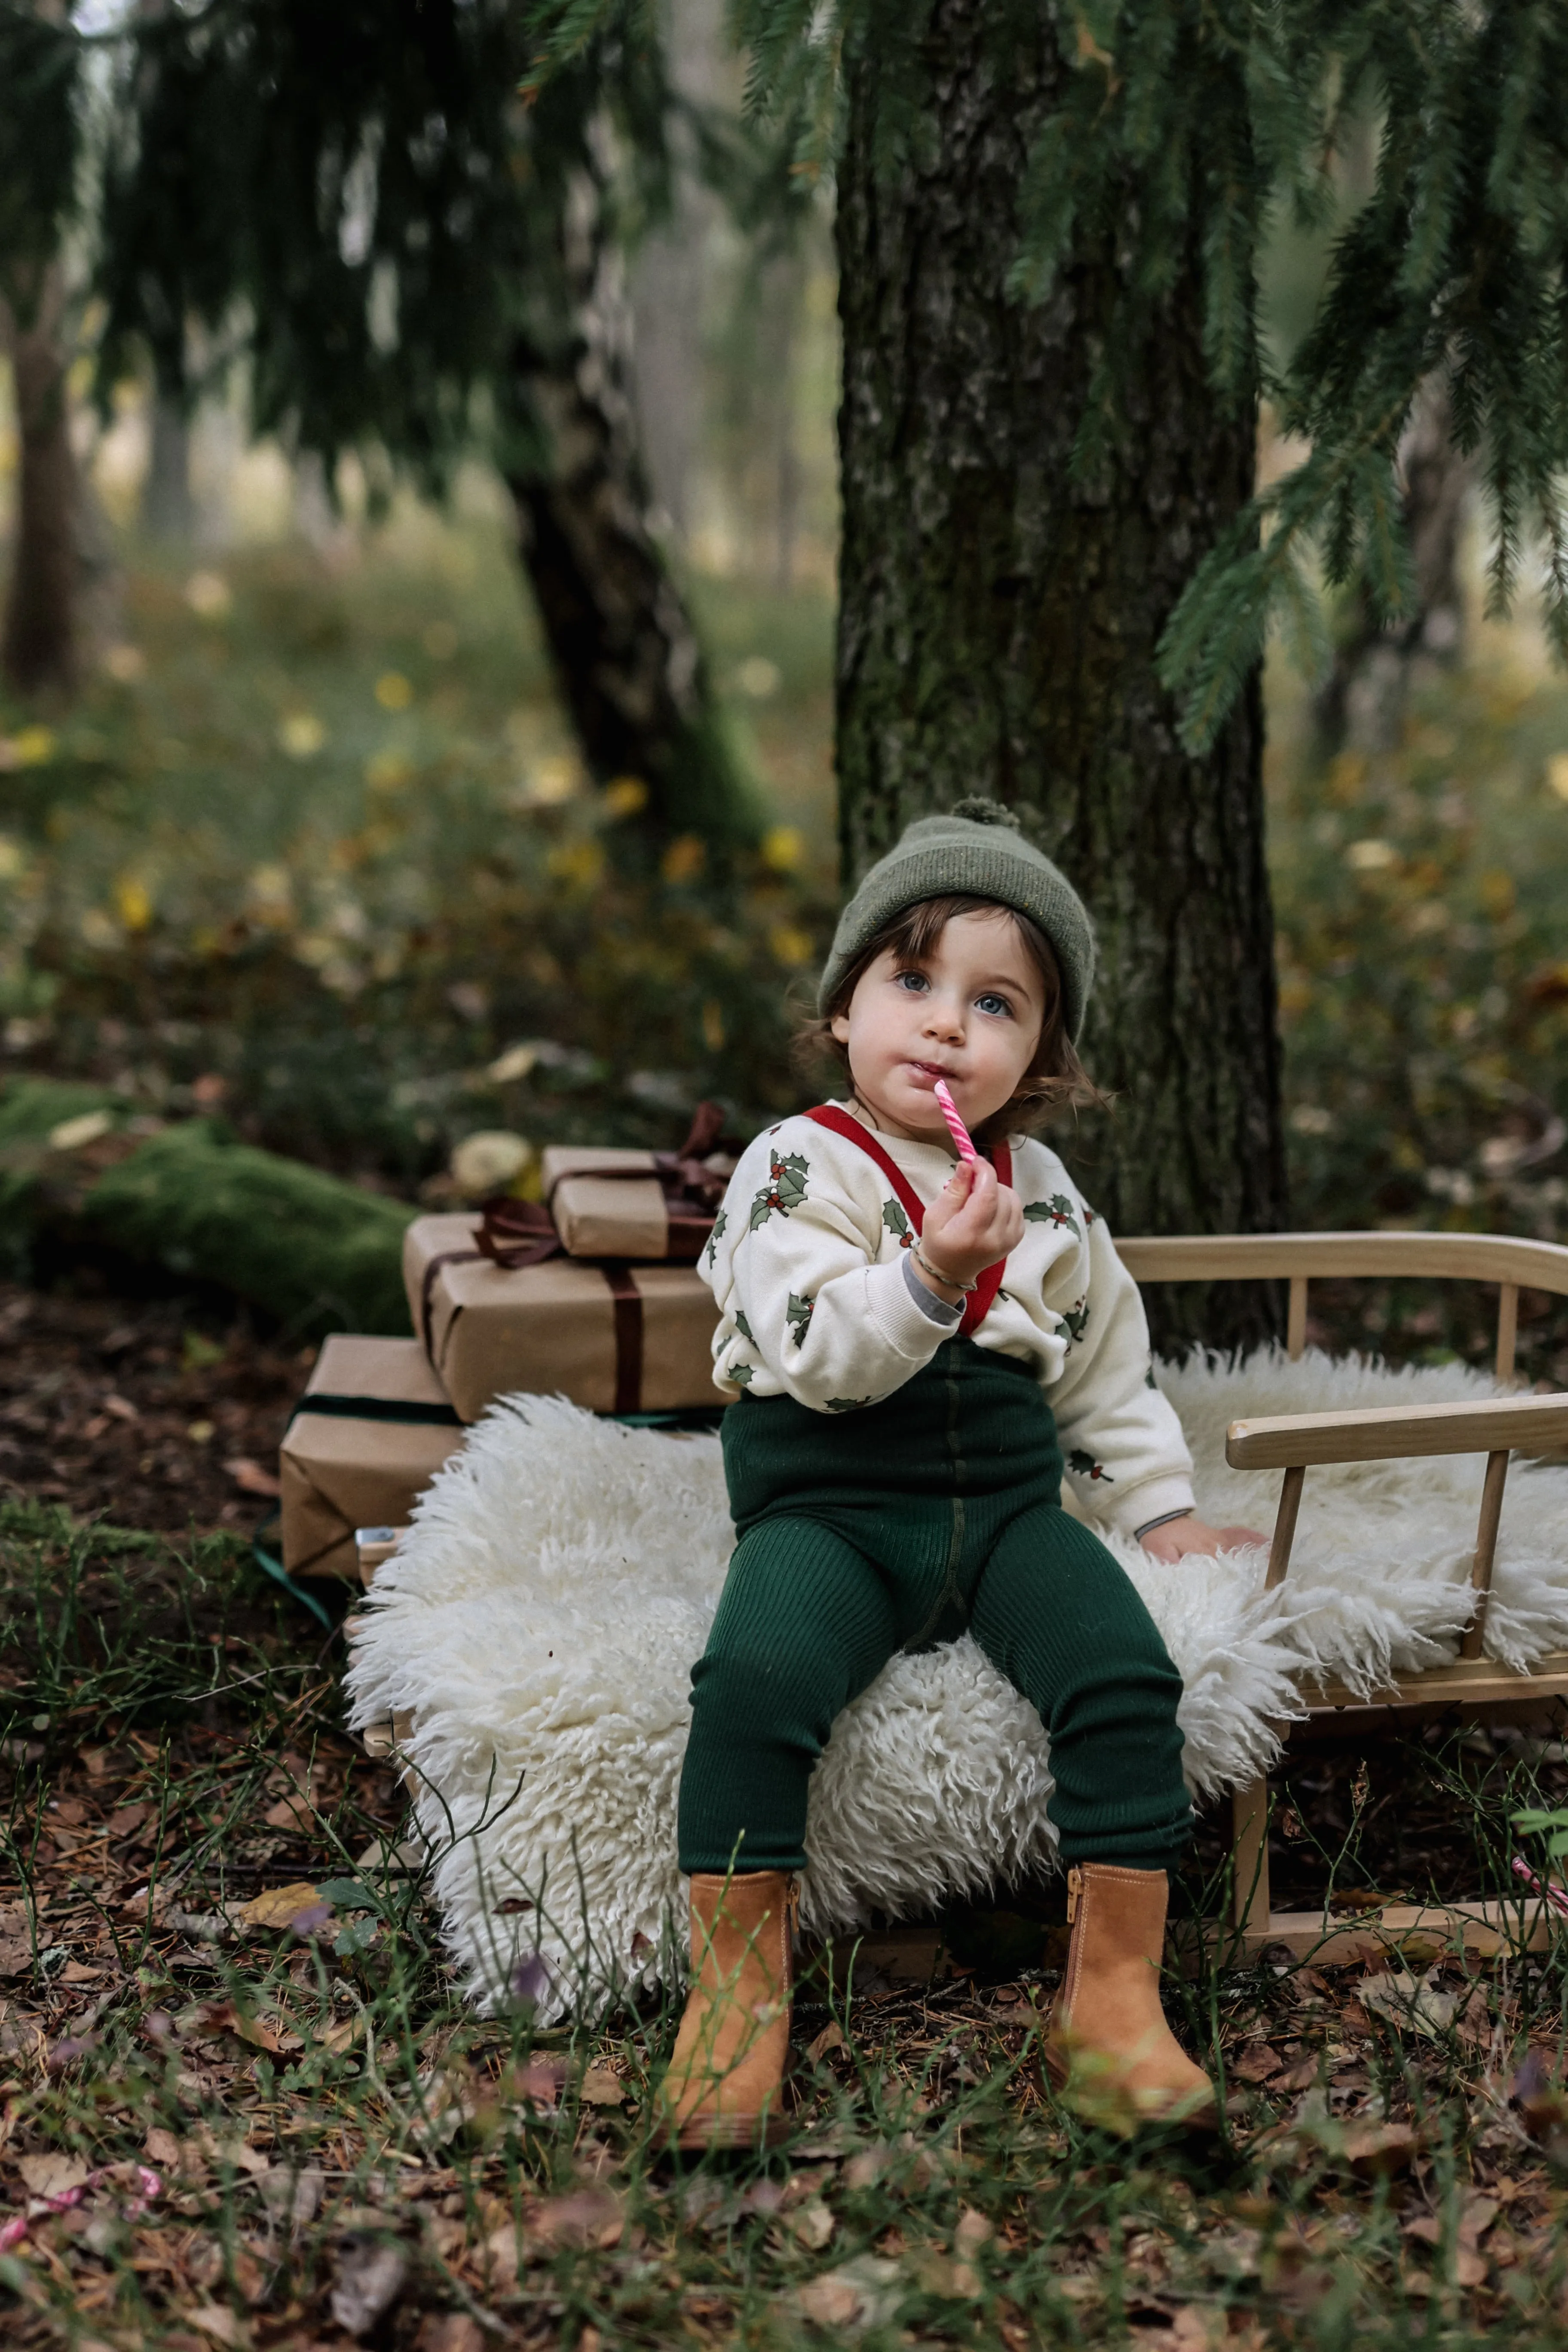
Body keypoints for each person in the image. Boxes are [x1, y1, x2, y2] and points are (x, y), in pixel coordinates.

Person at [659, 799, 1263, 2149]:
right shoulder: (792, 1167)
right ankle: (735, 2001)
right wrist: (930, 1270)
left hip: (1000, 1513)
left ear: (1040, 1052)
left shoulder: (1040, 1190)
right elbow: (815, 1352)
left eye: (996, 1003)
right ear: (844, 1005)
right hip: (834, 1509)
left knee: (1123, 1674)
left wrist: (1154, 1512)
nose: (946, 1024)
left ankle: (1114, 2004)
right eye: (913, 979)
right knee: (754, 1679)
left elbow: (1105, 1370)